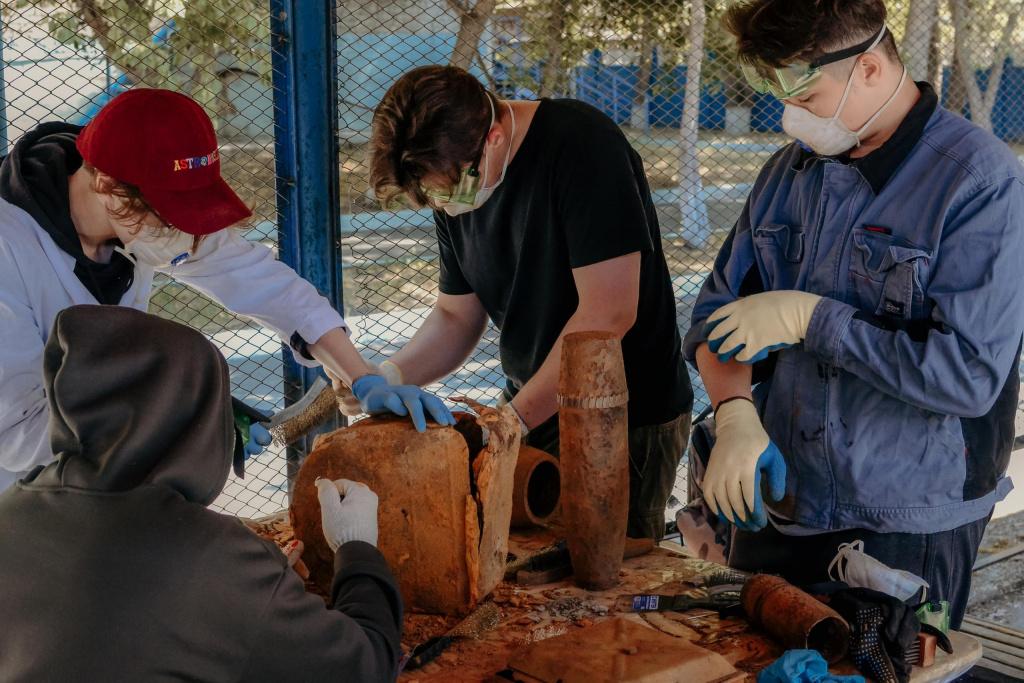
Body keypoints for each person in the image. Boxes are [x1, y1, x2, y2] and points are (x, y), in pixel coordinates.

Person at [684, 0, 1024, 628]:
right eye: (773, 89)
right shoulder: (789, 173)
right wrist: (734, 413)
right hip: (782, 496)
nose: (787, 115)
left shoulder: (979, 183)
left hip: (906, 519)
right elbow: (714, 317)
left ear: (868, 66)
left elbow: (968, 378)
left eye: (802, 90)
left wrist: (813, 320)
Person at [0, 87, 453, 491]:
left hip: (85, 487)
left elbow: (266, 286)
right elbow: (16, 433)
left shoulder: (130, 210)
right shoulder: (9, 248)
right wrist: (184, 421)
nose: (189, 238)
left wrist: (361, 376)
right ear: (108, 187)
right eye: (174, 217)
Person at [365, 65, 694, 540]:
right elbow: (456, 315)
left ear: (494, 137)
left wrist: (512, 421)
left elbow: (608, 313)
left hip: (623, 413)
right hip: (532, 400)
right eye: (433, 197)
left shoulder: (581, 145)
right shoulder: (455, 178)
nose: (448, 204)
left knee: (605, 580)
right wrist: (390, 374)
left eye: (451, 189)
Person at [0, 305, 402, 681]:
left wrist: (248, 583)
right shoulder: (211, 559)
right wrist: (356, 547)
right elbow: (366, 664)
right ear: (195, 417)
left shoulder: (11, 511)